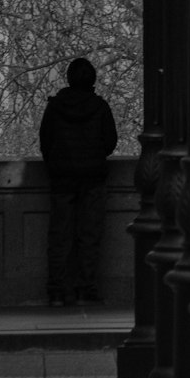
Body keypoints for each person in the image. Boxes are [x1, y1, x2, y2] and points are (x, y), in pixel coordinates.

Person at [39, 57, 118, 305]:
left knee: (60, 235)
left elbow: (46, 141)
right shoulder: (100, 107)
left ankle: (57, 290)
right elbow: (110, 142)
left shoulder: (55, 107)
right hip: (93, 177)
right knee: (89, 235)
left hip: (62, 177)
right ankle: (87, 288)